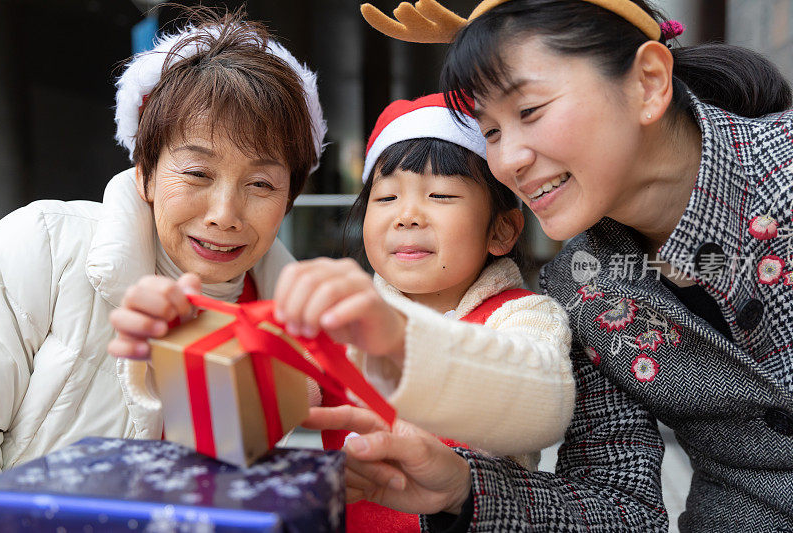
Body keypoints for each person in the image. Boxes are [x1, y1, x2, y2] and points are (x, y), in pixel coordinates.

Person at [302, 0, 793, 530]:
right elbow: (620, 507)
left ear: (648, 82)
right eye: (490, 131)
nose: (509, 160)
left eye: (529, 111)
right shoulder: (585, 288)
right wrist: (465, 489)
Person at [0, 8, 326, 474]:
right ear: (145, 174)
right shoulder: (44, 245)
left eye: (261, 185)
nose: (223, 215)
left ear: (289, 195)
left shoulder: (292, 334)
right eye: (197, 173)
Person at [270, 93, 575, 531]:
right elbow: (268, 402)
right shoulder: (339, 320)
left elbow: (540, 401)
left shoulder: (524, 316)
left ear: (502, 229)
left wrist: (395, 341)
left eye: (441, 194)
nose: (408, 215)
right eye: (387, 197)